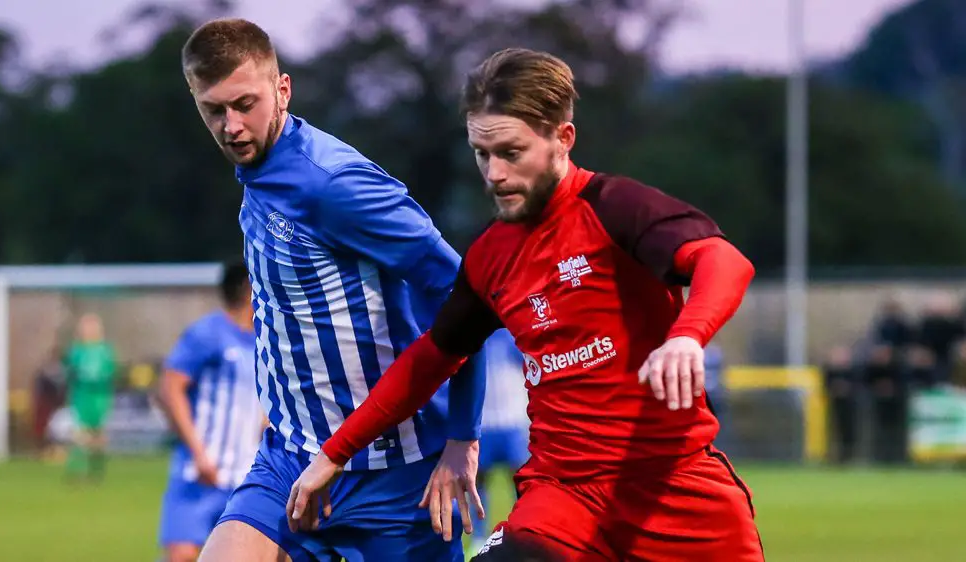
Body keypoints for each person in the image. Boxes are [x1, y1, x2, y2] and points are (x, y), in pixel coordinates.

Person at [292, 48, 763, 561]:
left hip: (676, 492)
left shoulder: (616, 208)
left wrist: (687, 336)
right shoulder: (491, 255)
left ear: (563, 138)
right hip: (563, 502)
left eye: (511, 153)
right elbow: (432, 358)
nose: (493, 173)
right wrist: (334, 454)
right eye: (481, 154)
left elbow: (724, 261)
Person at [181, 18, 486, 562]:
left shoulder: (335, 184)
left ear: (283, 89)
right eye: (213, 110)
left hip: (394, 474)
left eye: (245, 104)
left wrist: (463, 437)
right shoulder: (256, 170)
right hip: (290, 458)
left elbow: (466, 298)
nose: (231, 125)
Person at [156, 263, 265, 562]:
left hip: (246, 476)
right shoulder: (207, 333)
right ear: (247, 287)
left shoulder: (265, 339)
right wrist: (198, 450)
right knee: (182, 555)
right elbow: (169, 388)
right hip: (200, 472)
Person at [469, 328, 529, 553]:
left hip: (513, 422)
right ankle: (478, 539)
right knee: (477, 483)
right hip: (483, 425)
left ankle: (523, 534)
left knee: (523, 483)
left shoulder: (511, 335)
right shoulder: (474, 335)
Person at [63, 313, 118, 482]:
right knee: (80, 435)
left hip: (100, 398)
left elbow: (111, 373)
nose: (89, 330)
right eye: (85, 327)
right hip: (81, 397)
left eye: (92, 326)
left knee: (98, 436)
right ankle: (77, 471)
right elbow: (69, 373)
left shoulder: (105, 351)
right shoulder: (76, 351)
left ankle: (96, 471)